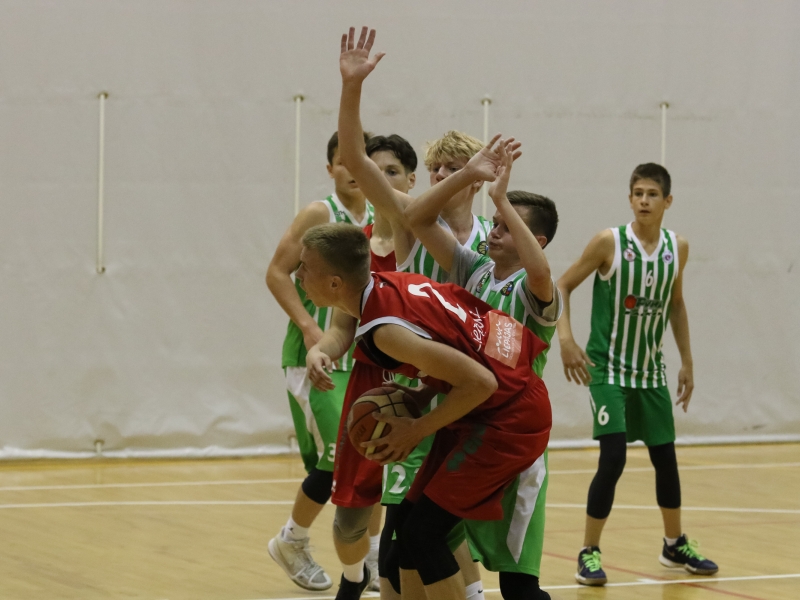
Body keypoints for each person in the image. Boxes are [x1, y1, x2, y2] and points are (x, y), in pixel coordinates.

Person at [300, 222, 552, 600]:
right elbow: (461, 346)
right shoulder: (392, 285)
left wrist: (416, 429)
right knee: (406, 531)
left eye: (305, 267)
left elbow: (481, 381)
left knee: (423, 535)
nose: (298, 275)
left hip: (508, 418)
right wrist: (419, 396)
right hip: (493, 401)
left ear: (335, 283)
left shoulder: (386, 332)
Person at [336, 26, 490, 600]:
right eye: (438, 169)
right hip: (416, 396)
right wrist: (352, 86)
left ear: (479, 175)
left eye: (456, 168)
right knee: (407, 542)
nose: (445, 177)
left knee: (450, 535)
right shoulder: (408, 217)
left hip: (475, 395)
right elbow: (356, 160)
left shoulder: (495, 240)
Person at [405, 137, 559, 600]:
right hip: (466, 430)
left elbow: (541, 273)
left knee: (518, 586)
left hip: (512, 440)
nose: (493, 232)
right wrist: (470, 174)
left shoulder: (536, 292)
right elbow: (417, 219)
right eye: (494, 223)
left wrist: (500, 198)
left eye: (506, 228)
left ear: (536, 241)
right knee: (412, 540)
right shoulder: (473, 270)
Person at [556, 163, 719, 586]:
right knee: (613, 458)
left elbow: (676, 304)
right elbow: (561, 285)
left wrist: (687, 361)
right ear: (629, 199)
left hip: (650, 372)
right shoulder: (609, 242)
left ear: (668, 201)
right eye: (638, 193)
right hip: (607, 370)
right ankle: (588, 551)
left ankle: (673, 544)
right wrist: (566, 339)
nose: (644, 200)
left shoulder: (677, 248)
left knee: (666, 459)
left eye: (652, 194)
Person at [265, 130, 373, 591]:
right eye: (342, 160)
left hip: (362, 356)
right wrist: (311, 330)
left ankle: (371, 556)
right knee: (336, 461)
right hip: (318, 356)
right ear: (330, 168)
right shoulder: (319, 213)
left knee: (370, 458)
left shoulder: (382, 216)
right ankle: (291, 540)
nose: (351, 168)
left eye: (359, 158)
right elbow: (276, 272)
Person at [328, 133, 418, 599]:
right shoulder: (355, 248)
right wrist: (322, 351)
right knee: (347, 526)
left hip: (421, 388)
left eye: (392, 172)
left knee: (417, 529)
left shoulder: (426, 240)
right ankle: (353, 574)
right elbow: (341, 327)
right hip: (367, 387)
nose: (381, 180)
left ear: (411, 181)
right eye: (373, 171)